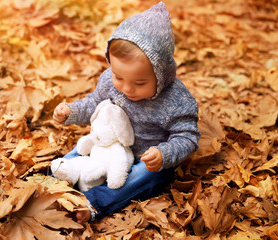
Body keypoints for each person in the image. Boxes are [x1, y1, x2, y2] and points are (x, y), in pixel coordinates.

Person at [53, 2, 200, 224]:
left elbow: (187, 136)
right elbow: (95, 103)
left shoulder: (176, 101)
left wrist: (164, 155)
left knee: (149, 178)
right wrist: (71, 111)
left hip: (145, 159)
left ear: (162, 75)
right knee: (82, 147)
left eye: (140, 82)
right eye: (118, 76)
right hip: (108, 145)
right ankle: (55, 177)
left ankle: (94, 202)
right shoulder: (109, 81)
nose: (127, 88)